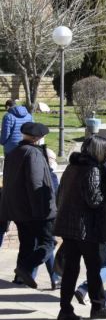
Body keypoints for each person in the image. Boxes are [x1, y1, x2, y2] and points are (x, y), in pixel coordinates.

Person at [53, 136, 106, 320]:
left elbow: (61, 194)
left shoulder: (72, 166)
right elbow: (95, 200)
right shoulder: (93, 170)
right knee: (93, 266)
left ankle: (65, 310)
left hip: (68, 225)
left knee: (71, 270)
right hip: (85, 228)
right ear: (99, 151)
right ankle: (97, 306)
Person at [0, 122, 56, 290]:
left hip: (17, 209)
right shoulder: (34, 154)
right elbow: (36, 183)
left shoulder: (14, 152)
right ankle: (25, 268)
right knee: (48, 243)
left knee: (27, 243)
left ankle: (20, 278)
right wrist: (42, 211)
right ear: (36, 138)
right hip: (34, 210)